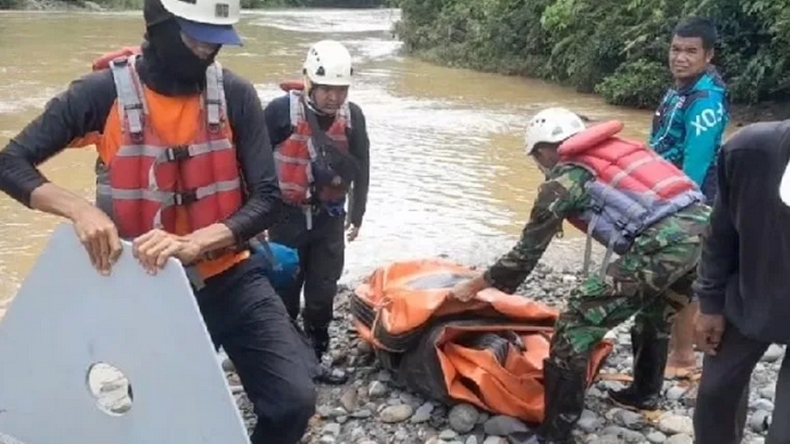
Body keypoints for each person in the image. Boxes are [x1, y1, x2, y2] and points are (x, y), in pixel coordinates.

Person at [0, 0, 318, 442]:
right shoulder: (101, 94)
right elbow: (10, 162)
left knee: (293, 401)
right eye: (196, 40)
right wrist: (80, 210)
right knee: (156, 417)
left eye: (216, 43)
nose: (208, 52)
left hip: (232, 278)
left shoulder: (236, 95)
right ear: (161, 25)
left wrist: (198, 243)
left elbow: (268, 199)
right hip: (146, 292)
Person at [447, 107, 710, 443]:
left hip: (667, 244)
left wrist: (475, 286)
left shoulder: (564, 180)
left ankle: (554, 433)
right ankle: (644, 393)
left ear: (543, 150)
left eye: (536, 158)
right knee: (656, 311)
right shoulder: (616, 150)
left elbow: (525, 254)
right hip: (707, 233)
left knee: (576, 323)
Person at [264, 39, 371, 385]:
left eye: (341, 90)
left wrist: (357, 214)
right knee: (284, 291)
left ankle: (316, 357)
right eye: (327, 89)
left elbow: (362, 166)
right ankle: (283, 361)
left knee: (323, 293)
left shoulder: (352, 117)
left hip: (329, 218)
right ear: (309, 81)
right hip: (286, 217)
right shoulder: (281, 112)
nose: (334, 98)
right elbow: (254, 163)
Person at [692, 121, 790, 444]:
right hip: (751, 291)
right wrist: (709, 303)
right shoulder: (748, 152)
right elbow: (719, 233)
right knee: (713, 399)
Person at [649, 16, 729, 378]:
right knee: (674, 276)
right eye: (675, 49)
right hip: (664, 188)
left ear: (708, 55)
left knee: (684, 279)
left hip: (691, 198)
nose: (680, 58)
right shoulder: (678, 90)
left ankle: (683, 358)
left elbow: (695, 162)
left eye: (690, 51)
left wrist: (677, 207)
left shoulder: (705, 101)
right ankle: (676, 349)